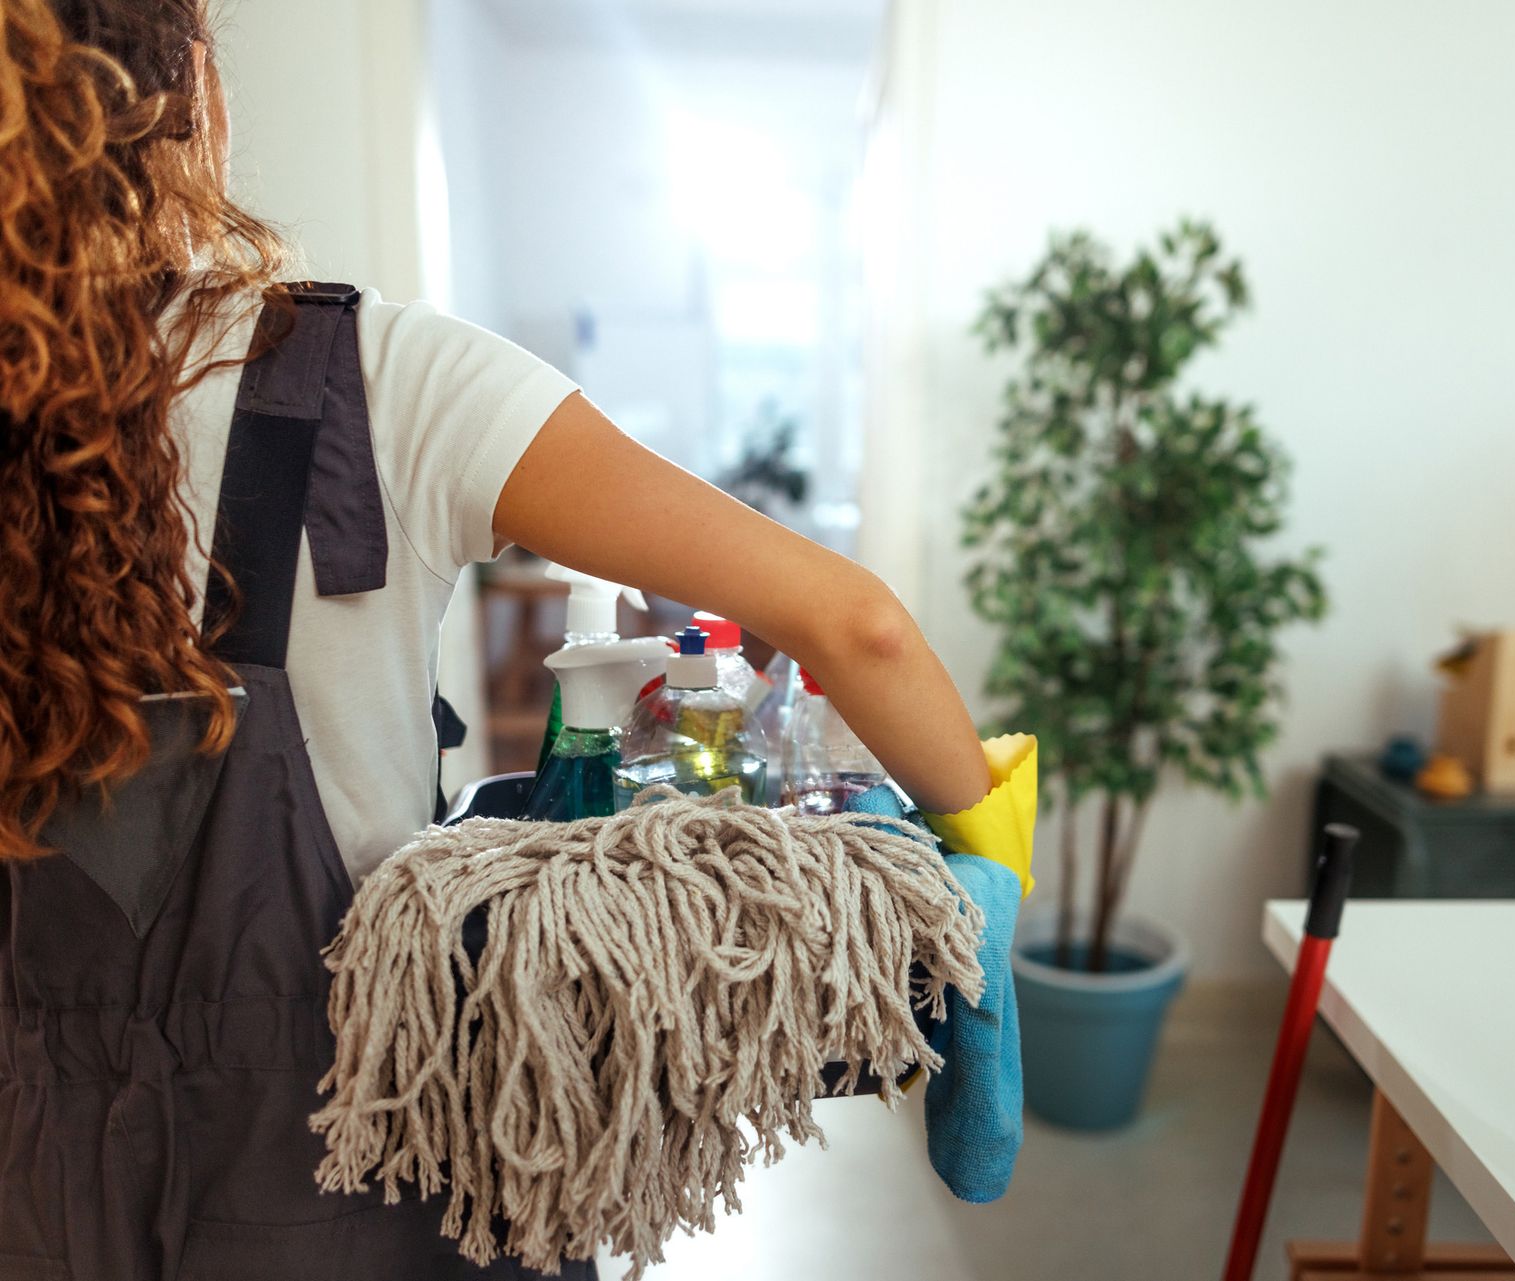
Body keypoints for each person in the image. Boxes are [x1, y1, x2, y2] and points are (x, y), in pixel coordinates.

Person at [0, 2, 993, 1277]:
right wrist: (991, 862)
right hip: (353, 1158)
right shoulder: (365, 376)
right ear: (191, 96)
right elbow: (854, 621)